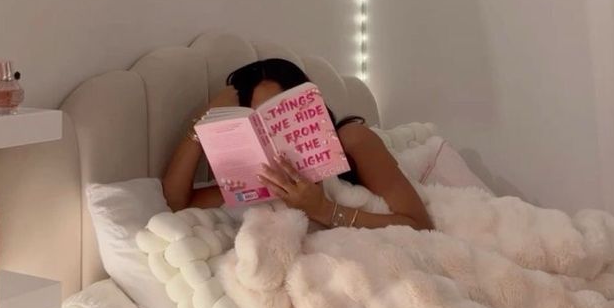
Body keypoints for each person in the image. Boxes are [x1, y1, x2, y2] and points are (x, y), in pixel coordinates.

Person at [162, 58, 433, 231]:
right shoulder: (252, 182)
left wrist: (323, 210)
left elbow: (420, 225)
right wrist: (201, 123)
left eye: (275, 113)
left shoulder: (353, 140)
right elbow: (175, 204)